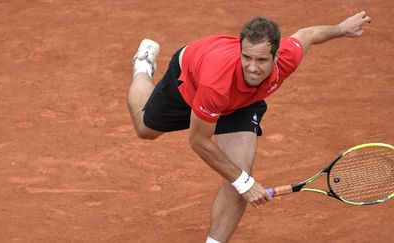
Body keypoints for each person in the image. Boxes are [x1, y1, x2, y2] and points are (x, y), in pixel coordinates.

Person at [126, 11, 371, 243]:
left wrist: (340, 29)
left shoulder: (289, 56)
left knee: (237, 176)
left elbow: (307, 34)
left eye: (262, 59)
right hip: (191, 81)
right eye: (247, 57)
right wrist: (245, 183)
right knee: (145, 129)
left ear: (277, 56)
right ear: (240, 51)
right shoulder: (216, 82)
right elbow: (198, 140)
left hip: (241, 103)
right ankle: (143, 66)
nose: (253, 67)